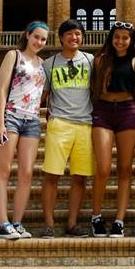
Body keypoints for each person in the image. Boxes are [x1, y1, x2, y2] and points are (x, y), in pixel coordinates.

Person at [0, 21, 49, 239]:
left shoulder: (43, 64)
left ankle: (17, 222)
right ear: (27, 35)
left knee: (26, 173)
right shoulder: (13, 55)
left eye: (43, 39)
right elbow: (2, 89)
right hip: (11, 117)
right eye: (36, 37)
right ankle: (3, 223)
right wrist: (0, 122)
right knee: (4, 170)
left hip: (32, 120)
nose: (39, 42)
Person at [40, 18, 95, 238]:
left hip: (85, 124)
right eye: (70, 33)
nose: (74, 37)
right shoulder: (49, 63)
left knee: (80, 177)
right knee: (51, 175)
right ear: (61, 37)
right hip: (59, 123)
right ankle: (48, 224)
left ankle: (72, 223)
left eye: (78, 34)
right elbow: (41, 95)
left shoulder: (91, 61)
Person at [90, 21, 135, 238]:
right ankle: (96, 216)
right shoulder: (100, 60)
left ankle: (119, 220)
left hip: (127, 111)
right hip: (103, 110)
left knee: (124, 168)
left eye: (125, 38)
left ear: (131, 40)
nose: (120, 41)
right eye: (117, 37)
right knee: (103, 167)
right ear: (111, 38)